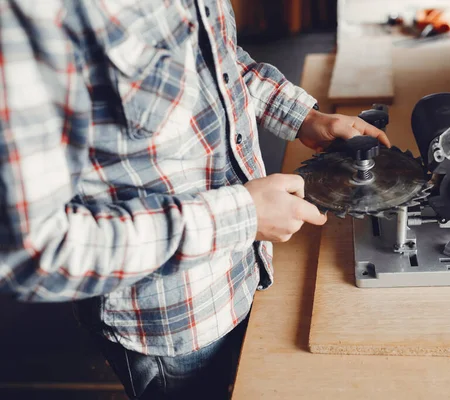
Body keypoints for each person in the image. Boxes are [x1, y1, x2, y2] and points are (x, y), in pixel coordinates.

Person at [0, 0, 390, 398]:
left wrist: (300, 115)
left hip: (245, 272)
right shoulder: (31, 15)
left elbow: (212, 61)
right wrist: (239, 218)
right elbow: (32, 252)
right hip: (172, 326)